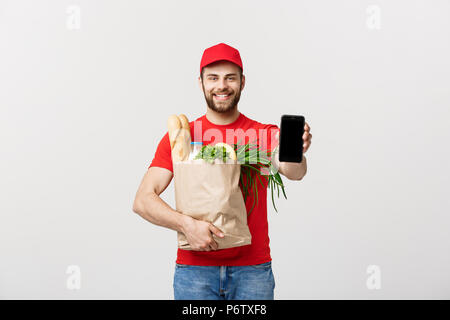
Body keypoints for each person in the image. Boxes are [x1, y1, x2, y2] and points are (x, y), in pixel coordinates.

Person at [132, 43, 312, 300]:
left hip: (253, 271)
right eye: (213, 78)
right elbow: (142, 200)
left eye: (230, 78)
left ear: (243, 82)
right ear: (201, 83)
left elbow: (294, 172)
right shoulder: (181, 137)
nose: (222, 86)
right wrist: (186, 225)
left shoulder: (264, 134)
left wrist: (297, 151)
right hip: (194, 272)